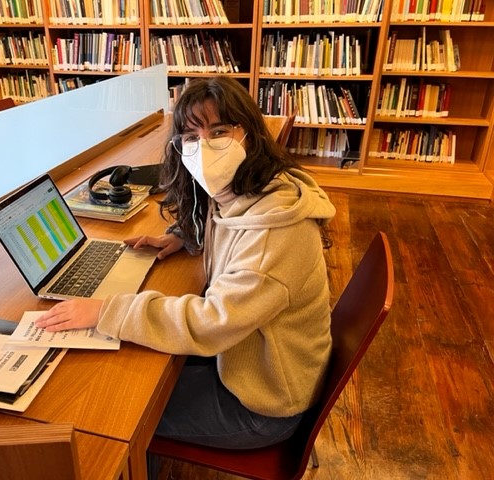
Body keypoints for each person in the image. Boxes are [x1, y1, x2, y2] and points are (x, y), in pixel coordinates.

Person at [35, 77, 336, 452]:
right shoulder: (253, 186)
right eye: (191, 137)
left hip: (264, 403)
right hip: (250, 359)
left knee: (112, 406)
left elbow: (213, 322)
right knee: (131, 366)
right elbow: (226, 222)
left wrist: (106, 311)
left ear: (250, 133)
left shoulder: (276, 234)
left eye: (219, 132)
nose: (204, 147)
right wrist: (184, 235)